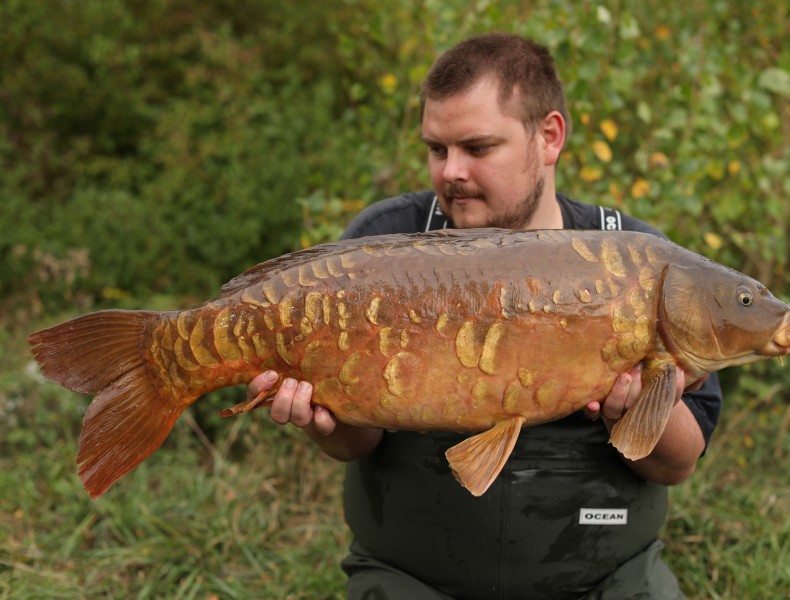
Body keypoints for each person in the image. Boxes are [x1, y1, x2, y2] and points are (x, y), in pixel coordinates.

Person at [249, 33, 721, 600]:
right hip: (413, 577)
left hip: (604, 579)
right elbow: (354, 446)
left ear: (548, 137)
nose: (451, 172)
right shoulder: (383, 243)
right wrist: (326, 420)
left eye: (477, 148)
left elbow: (677, 465)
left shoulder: (638, 260)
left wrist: (640, 408)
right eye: (436, 149)